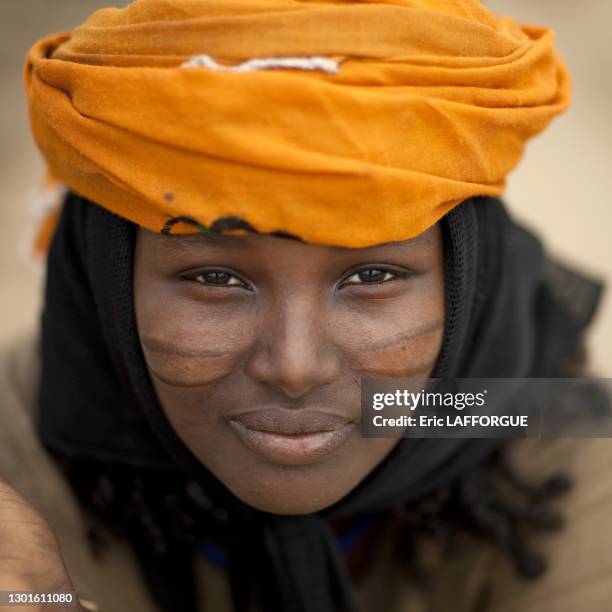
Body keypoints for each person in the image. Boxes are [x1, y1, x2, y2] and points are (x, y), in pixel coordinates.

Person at [1, 0, 609, 611]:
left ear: (467, 280)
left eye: (373, 274)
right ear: (105, 280)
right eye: (215, 277)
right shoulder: (14, 453)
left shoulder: (532, 428)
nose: (295, 368)